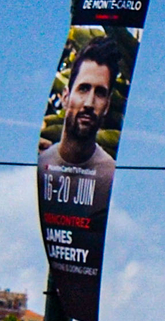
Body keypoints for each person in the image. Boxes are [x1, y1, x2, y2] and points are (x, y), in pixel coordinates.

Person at [37, 41, 123, 216]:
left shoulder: (111, 177)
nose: (89, 103)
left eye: (99, 93)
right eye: (83, 89)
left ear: (107, 105)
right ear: (66, 97)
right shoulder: (37, 165)